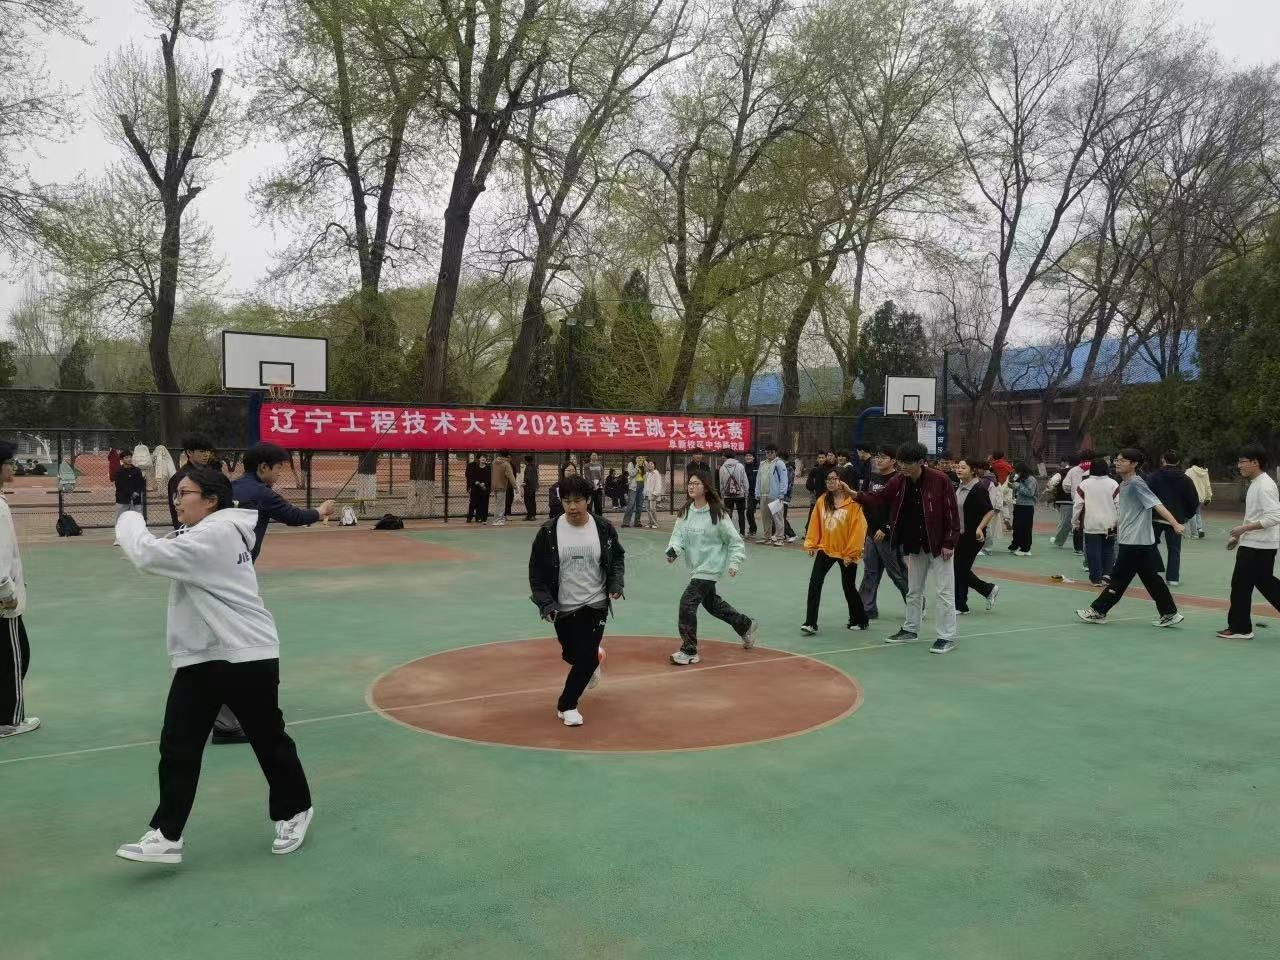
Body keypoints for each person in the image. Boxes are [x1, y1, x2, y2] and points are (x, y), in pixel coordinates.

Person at [113, 467, 313, 864]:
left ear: (211, 500)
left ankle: (295, 810)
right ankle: (167, 834)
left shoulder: (216, 534)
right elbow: (161, 550)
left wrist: (129, 516)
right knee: (178, 744)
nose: (177, 500)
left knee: (267, 739)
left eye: (185, 493)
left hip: (246, 654)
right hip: (202, 655)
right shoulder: (204, 533)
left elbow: (146, 555)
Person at [528, 475, 625, 727]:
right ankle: (593, 659)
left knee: (586, 658)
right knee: (571, 653)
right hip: (563, 606)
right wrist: (545, 603)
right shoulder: (549, 532)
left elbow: (617, 558)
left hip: (595, 603)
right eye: (567, 501)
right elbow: (536, 573)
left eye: (578, 500)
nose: (572, 507)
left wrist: (616, 584)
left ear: (588, 500)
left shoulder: (603, 528)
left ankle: (567, 705)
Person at [852, 441, 962, 654]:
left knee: (944, 592)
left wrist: (949, 542)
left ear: (921, 462)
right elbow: (880, 498)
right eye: (900, 462)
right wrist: (856, 495)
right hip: (914, 543)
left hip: (939, 544)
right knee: (913, 590)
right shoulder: (899, 480)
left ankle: (946, 636)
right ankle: (911, 629)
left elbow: (951, 512)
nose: (901, 466)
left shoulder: (940, 480)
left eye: (907, 463)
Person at [1076, 448, 1185, 627]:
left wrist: (1175, 523)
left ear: (1134, 464)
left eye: (1122, 460)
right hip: (1136, 540)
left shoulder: (1136, 483)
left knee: (1119, 578)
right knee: (1151, 579)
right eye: (1117, 460)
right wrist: (1116, 525)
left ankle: (1098, 611)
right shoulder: (1124, 484)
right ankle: (1170, 613)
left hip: (1135, 541)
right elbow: (1128, 511)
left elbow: (1156, 504)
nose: (1117, 463)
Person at [667, 472, 756, 664]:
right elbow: (678, 536)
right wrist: (673, 551)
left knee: (687, 603)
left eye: (696, 483)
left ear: (706, 487)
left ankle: (689, 650)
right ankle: (744, 624)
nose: (691, 486)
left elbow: (735, 541)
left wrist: (734, 562)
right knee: (712, 604)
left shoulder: (718, 513)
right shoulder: (686, 512)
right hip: (696, 566)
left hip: (710, 567)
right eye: (690, 483)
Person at [1217, 444, 1280, 639]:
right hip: (1257, 544)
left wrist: (1243, 530)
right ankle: (1240, 627)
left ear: (1255, 462)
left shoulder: (1265, 486)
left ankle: (1240, 628)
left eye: (1243, 462)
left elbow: (1274, 517)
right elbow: (1255, 516)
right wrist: (1238, 537)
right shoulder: (1257, 483)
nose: (1239, 466)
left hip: (1257, 546)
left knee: (1240, 586)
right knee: (1265, 583)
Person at [801, 469, 869, 634]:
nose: (830, 482)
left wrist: (851, 553)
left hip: (846, 552)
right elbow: (815, 522)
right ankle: (810, 623)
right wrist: (812, 544)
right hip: (826, 549)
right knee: (815, 582)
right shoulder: (822, 500)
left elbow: (859, 529)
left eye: (834, 479)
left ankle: (860, 619)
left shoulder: (853, 503)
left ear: (842, 481)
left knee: (848, 587)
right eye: (828, 479)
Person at [0, 442, 37, 739]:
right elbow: (1, 554)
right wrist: (5, 591)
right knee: (14, 657)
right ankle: (9, 720)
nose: (13, 467)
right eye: (9, 462)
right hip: (4, 602)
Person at [858, 446, 910, 619]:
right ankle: (867, 608)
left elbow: (900, 508)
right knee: (870, 571)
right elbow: (866, 500)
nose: (879, 460)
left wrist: (886, 527)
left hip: (889, 535)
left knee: (896, 573)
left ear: (893, 461)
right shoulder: (872, 477)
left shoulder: (899, 480)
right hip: (871, 533)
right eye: (877, 457)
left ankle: (916, 604)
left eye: (883, 457)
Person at [953, 457, 1000, 616]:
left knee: (959, 570)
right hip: (959, 535)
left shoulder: (978, 488)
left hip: (973, 537)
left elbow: (989, 511)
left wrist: (980, 528)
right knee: (959, 569)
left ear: (972, 470)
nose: (959, 470)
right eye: (958, 467)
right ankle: (967, 601)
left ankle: (967, 601)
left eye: (963, 467)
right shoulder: (960, 487)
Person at [1146, 451, 1199, 587]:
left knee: (1150, 544)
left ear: (1163, 460)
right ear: (1178, 462)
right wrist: (1186, 516)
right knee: (1174, 550)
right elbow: (1193, 500)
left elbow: (1146, 495)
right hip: (1177, 519)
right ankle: (1173, 578)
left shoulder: (1153, 477)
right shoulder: (1186, 479)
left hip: (1155, 517)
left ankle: (1156, 569)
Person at [1073, 459, 1119, 586]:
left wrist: (1075, 521)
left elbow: (1078, 505)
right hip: (1110, 523)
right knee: (1109, 549)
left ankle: (1096, 579)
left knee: (1093, 551)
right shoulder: (1113, 483)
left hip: (1091, 522)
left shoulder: (1084, 484)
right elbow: (1119, 504)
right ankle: (1107, 575)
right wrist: (1118, 521)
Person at [167, 433, 216, 529]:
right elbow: (177, 509)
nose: (206, 454)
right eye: (202, 451)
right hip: (189, 529)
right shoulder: (180, 478)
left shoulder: (212, 474)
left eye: (208, 451)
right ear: (189, 452)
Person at [755, 444, 790, 545]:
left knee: (777, 518)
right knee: (765, 517)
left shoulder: (779, 463)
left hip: (775, 496)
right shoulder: (762, 464)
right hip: (763, 495)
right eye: (767, 452)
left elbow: (784, 479)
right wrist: (757, 492)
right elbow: (758, 479)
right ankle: (767, 537)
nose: (769, 454)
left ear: (775, 453)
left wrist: (782, 493)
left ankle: (780, 538)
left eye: (771, 452)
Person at [1008, 462, 1038, 556]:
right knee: (1017, 526)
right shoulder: (1021, 478)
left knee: (1025, 528)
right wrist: (1012, 485)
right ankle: (1015, 545)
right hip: (1019, 504)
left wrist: (1018, 486)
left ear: (1023, 471)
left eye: (1018, 471)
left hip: (1027, 506)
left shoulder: (1031, 479)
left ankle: (1025, 549)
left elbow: (1030, 493)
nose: (1017, 473)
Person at [1046, 456, 1076, 548]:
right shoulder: (1084, 471)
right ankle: (1060, 540)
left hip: (1066, 499)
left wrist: (1052, 490)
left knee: (1065, 521)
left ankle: (1059, 540)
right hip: (1078, 499)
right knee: (1072, 521)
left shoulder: (1061, 472)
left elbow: (1051, 483)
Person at [718, 449, 749, 535]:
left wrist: (722, 494)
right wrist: (746, 492)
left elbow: (721, 483)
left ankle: (729, 533)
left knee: (728, 515)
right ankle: (742, 533)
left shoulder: (722, 468)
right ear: (734, 456)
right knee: (741, 514)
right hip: (740, 494)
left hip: (727, 495)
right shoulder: (740, 466)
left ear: (725, 457)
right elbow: (745, 481)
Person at [114, 449, 148, 523]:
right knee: (121, 520)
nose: (129, 459)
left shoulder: (137, 470)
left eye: (130, 457)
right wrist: (131, 493)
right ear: (122, 460)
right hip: (123, 500)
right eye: (126, 457)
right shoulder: (119, 472)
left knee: (138, 519)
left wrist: (137, 492)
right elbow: (120, 486)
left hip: (136, 500)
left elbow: (141, 484)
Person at [1185, 458, 1212, 540]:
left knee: (1192, 515)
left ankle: (1195, 534)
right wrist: (1208, 497)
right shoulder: (1205, 472)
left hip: (1191, 496)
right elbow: (1208, 485)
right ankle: (1200, 529)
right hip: (1201, 497)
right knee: (1197, 513)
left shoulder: (1189, 471)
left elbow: (1184, 483)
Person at [490, 450, 517, 526]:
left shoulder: (494, 462)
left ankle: (496, 519)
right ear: (507, 456)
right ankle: (499, 520)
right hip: (502, 486)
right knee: (501, 504)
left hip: (494, 485)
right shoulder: (506, 464)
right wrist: (515, 487)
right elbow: (510, 476)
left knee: (497, 503)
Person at [622, 456, 647, 528]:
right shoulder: (631, 464)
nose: (640, 459)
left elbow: (647, 472)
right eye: (638, 458)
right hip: (633, 487)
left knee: (639, 505)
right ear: (635, 458)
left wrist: (645, 463)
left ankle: (637, 521)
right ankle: (626, 522)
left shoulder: (644, 464)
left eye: (641, 458)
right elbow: (631, 474)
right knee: (631, 504)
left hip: (642, 486)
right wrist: (636, 467)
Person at [466, 454, 490, 523]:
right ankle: (470, 517)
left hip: (483, 487)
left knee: (482, 503)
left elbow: (489, 478)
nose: (483, 459)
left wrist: (484, 483)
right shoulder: (473, 466)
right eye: (482, 458)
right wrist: (474, 482)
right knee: (473, 503)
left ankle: (480, 517)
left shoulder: (488, 467)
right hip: (475, 487)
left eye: (484, 458)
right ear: (479, 459)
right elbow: (469, 476)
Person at [743, 451, 760, 537]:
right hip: (751, 494)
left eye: (750, 456)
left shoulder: (758, 467)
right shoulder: (744, 468)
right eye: (746, 456)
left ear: (754, 457)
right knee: (749, 512)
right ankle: (753, 529)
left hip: (761, 493)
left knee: (768, 513)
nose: (748, 457)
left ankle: (774, 531)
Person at [644, 459, 663, 529]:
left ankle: (655, 524)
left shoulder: (656, 473)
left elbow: (658, 484)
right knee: (648, 509)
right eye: (649, 464)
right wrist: (645, 492)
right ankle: (650, 523)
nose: (650, 465)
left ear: (654, 465)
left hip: (653, 494)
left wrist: (655, 493)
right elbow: (646, 484)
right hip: (647, 494)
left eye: (652, 464)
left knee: (652, 509)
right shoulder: (647, 474)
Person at [522, 455, 539, 521]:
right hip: (532, 487)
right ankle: (531, 515)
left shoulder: (528, 467)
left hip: (528, 487)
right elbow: (535, 477)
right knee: (532, 501)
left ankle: (531, 515)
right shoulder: (533, 466)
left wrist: (524, 482)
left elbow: (528, 477)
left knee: (528, 501)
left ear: (526, 460)